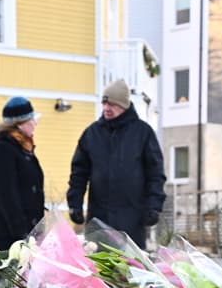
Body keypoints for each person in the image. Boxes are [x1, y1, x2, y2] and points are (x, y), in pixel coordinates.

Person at [66, 78, 166, 249]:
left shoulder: (143, 133)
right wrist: (74, 203)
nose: (106, 108)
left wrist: (154, 206)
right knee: (98, 268)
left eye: (111, 104)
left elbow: (155, 173)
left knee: (130, 269)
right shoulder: (91, 134)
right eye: (104, 104)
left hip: (132, 219)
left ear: (124, 106)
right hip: (99, 218)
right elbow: (79, 173)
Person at [0, 96, 44, 250]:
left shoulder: (23, 149)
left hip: (28, 235)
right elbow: (7, 196)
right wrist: (22, 236)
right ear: (20, 124)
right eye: (31, 119)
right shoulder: (2, 150)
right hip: (10, 239)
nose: (35, 123)